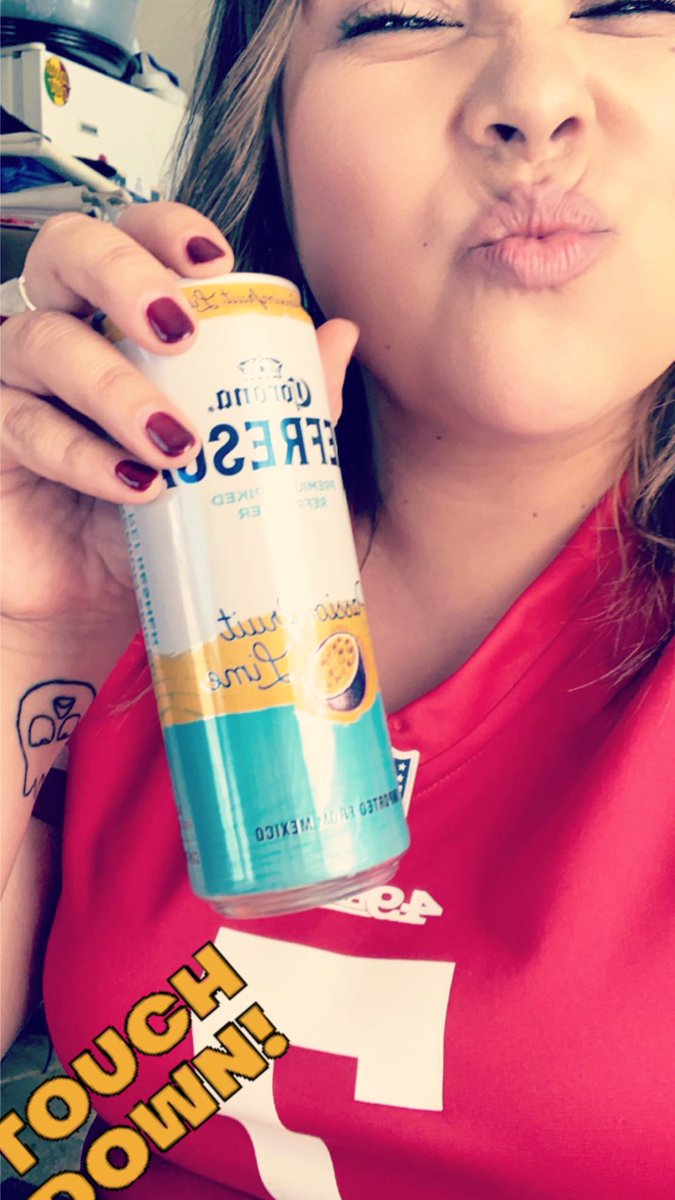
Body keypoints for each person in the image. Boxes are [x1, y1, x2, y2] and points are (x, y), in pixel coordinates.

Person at [1, 0, 674, 1196]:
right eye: (404, 13)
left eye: (636, 4)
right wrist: (32, 636)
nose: (535, 100)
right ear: (271, 132)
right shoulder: (139, 553)